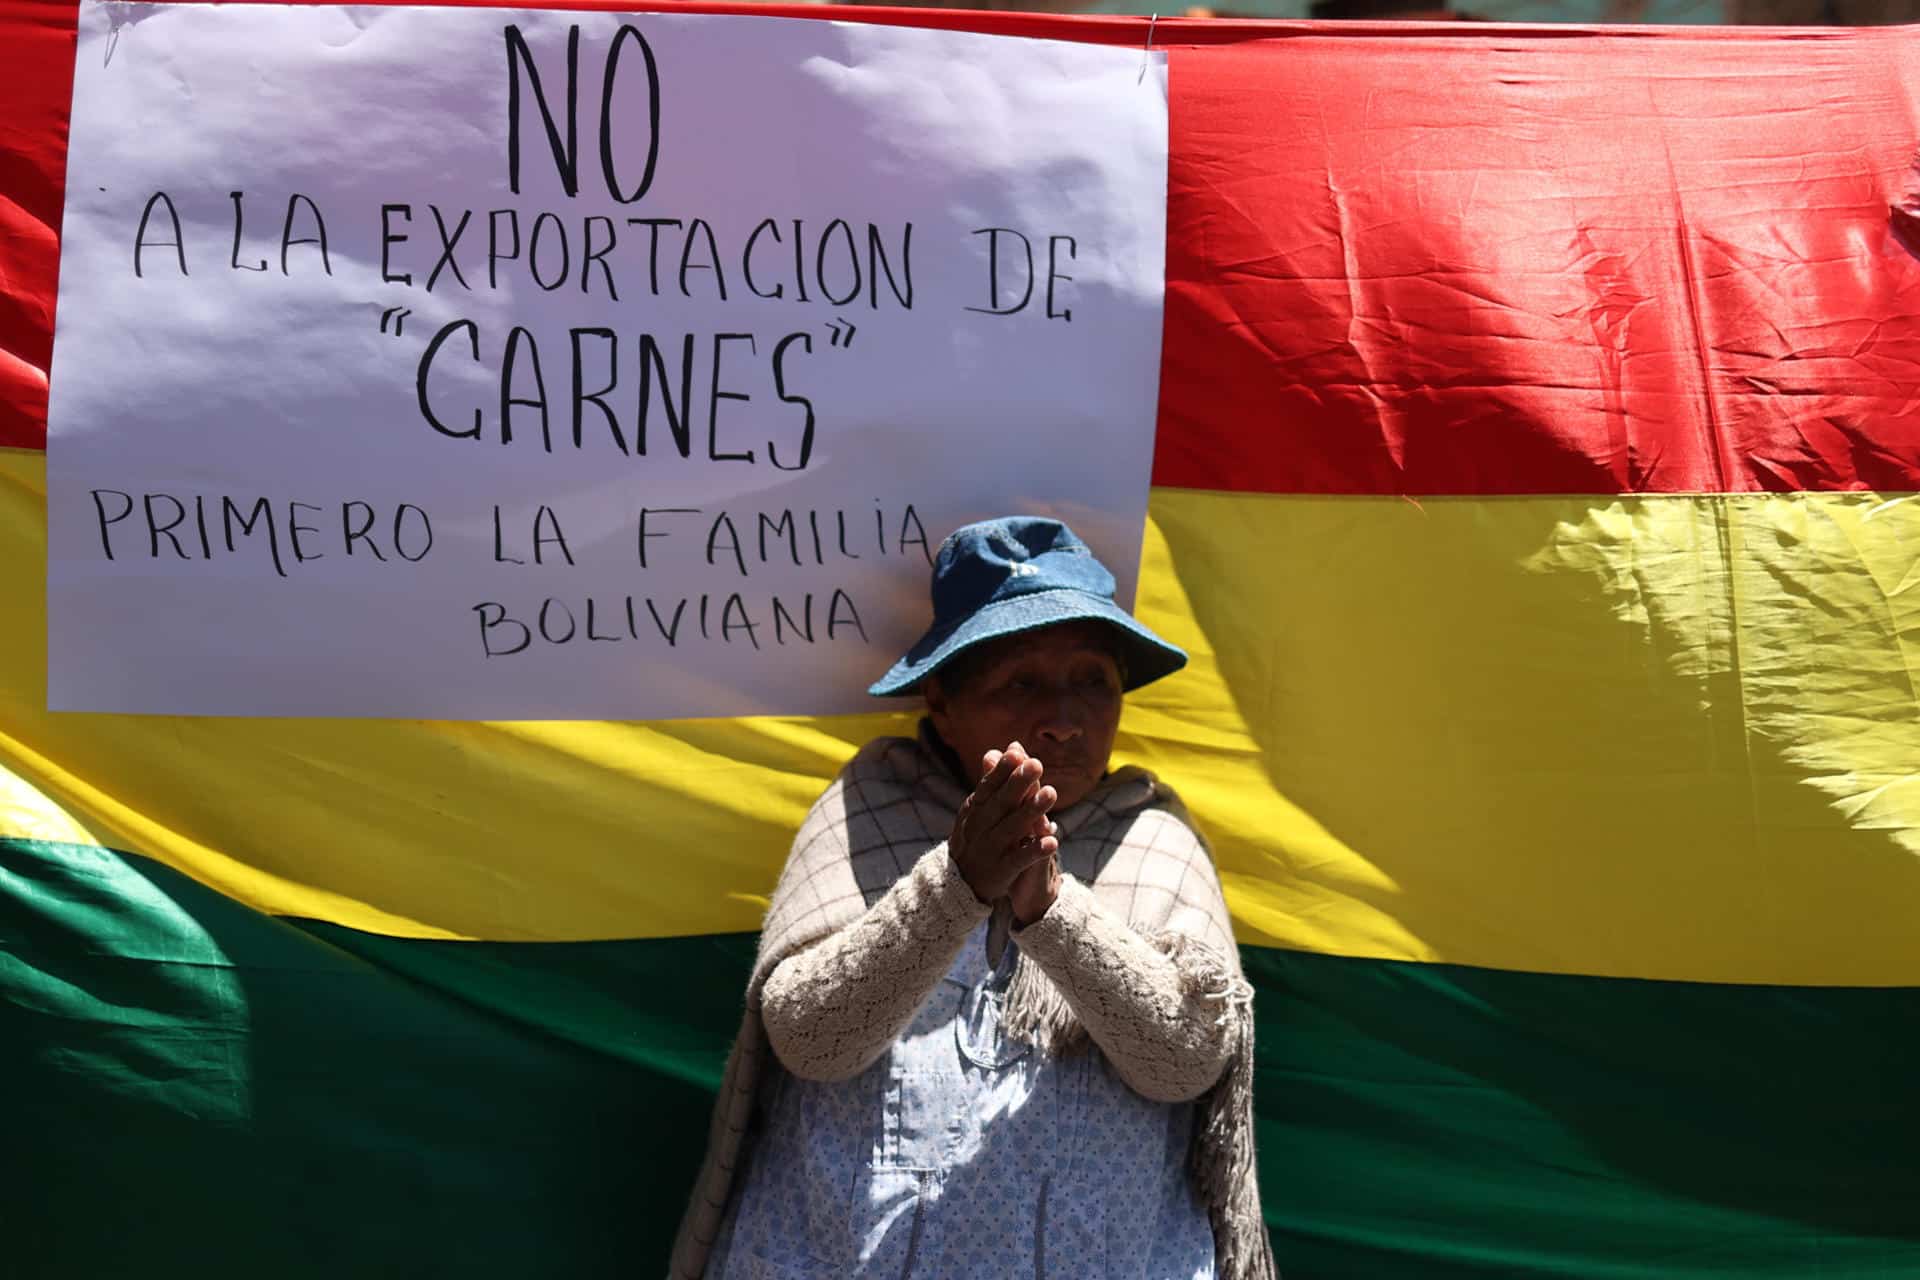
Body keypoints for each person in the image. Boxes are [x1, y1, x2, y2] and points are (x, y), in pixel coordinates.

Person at [671, 517, 1275, 1280]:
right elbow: (809, 1041)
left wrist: (1051, 911)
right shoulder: (872, 810)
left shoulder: (1152, 838)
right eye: (1021, 682)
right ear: (940, 700)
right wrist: (956, 886)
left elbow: (1186, 1063)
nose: (1064, 718)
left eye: (1093, 678)